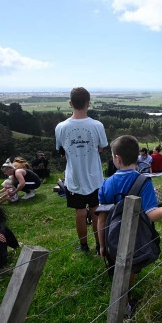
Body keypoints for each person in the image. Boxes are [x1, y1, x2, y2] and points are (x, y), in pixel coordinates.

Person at [97, 135, 162, 316]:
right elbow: (153, 215)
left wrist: (102, 245)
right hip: (136, 239)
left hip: (111, 238)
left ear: (117, 158)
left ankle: (122, 300)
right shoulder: (143, 182)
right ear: (137, 156)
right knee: (130, 268)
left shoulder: (106, 184)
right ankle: (124, 304)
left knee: (118, 269)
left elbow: (101, 219)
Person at [55, 87, 108, 255]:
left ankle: (83, 246)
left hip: (74, 178)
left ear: (70, 103)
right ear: (88, 103)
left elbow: (61, 151)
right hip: (95, 178)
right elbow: (102, 147)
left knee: (79, 212)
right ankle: (100, 245)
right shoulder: (97, 125)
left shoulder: (61, 127)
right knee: (95, 210)